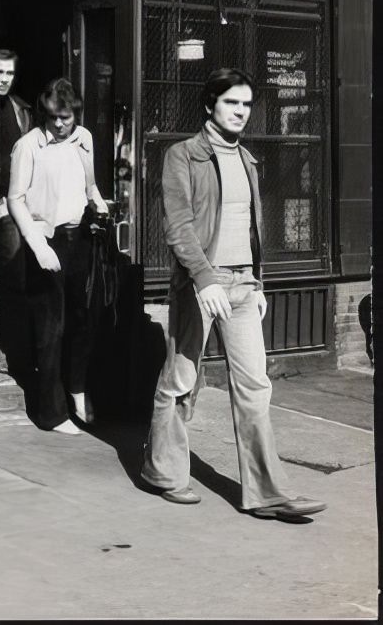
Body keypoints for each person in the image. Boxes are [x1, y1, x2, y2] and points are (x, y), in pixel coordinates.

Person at [140, 68, 326, 521]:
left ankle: (266, 494)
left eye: (246, 104)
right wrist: (204, 279)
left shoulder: (248, 160)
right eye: (231, 103)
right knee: (181, 380)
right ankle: (162, 471)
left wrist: (257, 282)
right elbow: (178, 226)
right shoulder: (182, 156)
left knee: (255, 387)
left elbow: (251, 227)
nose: (241, 112)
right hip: (201, 284)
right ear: (210, 105)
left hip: (243, 285)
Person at [7, 77, 108, 434]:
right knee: (51, 329)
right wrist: (38, 246)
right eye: (55, 118)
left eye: (68, 117)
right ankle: (51, 413)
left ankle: (77, 389)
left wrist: (98, 206)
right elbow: (14, 198)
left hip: (80, 237)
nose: (62, 124)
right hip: (46, 242)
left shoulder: (85, 140)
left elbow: (90, 185)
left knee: (83, 320)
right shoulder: (28, 146)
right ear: (44, 115)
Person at [0, 50, 32, 386]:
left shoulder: (20, 111)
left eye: (9, 73)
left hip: (10, 206)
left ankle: (7, 350)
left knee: (12, 279)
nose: (3, 78)